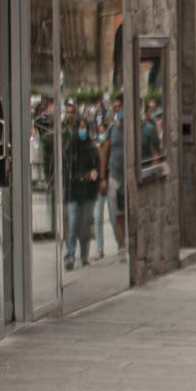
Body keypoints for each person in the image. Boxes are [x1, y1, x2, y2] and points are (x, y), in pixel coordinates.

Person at [63, 111, 101, 270]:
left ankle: (84, 256)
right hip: (74, 193)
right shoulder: (70, 149)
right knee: (72, 226)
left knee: (85, 227)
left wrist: (95, 174)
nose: (82, 131)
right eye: (81, 128)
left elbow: (97, 166)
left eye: (84, 127)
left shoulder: (91, 147)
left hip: (89, 193)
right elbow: (68, 172)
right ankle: (70, 256)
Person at [99, 96, 127, 255]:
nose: (116, 109)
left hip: (127, 178)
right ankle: (121, 245)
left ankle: (127, 243)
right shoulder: (111, 128)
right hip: (114, 177)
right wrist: (103, 178)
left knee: (125, 214)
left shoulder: (132, 126)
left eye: (119, 106)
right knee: (114, 214)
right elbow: (104, 152)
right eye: (114, 107)